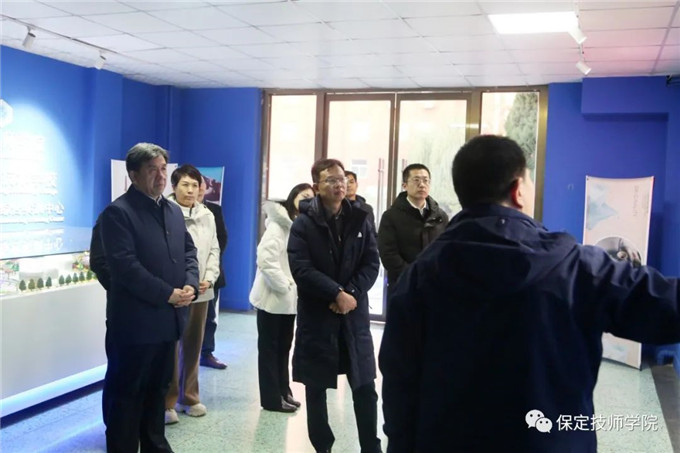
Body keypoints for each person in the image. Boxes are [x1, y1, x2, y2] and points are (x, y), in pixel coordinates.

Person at [378, 135, 680, 453]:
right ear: (518, 190)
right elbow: (664, 307)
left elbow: (399, 386)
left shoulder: (418, 278)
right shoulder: (577, 267)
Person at [101, 143, 198, 453]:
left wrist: (190, 284)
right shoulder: (118, 213)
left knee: (158, 392)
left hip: (168, 322)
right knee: (127, 396)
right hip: (135, 325)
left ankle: (156, 445)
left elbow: (189, 252)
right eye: (152, 170)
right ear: (133, 174)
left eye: (163, 169)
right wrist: (167, 293)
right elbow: (126, 267)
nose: (160, 176)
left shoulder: (172, 210)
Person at [288, 158, 382, 453]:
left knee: (365, 387)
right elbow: (301, 269)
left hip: (354, 316)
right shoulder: (303, 223)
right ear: (316, 186)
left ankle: (371, 447)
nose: (339, 184)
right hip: (319, 317)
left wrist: (349, 293)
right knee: (316, 388)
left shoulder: (360, 218)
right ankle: (322, 447)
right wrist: (335, 293)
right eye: (331, 180)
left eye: (342, 179)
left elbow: (372, 261)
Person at [249, 183, 315, 413]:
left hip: (289, 301)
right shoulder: (278, 225)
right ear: (293, 197)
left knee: (284, 348)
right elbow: (265, 259)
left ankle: (283, 391)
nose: (307, 200)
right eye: (303, 195)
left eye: (311, 197)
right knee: (269, 350)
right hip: (272, 298)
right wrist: (284, 286)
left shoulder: (301, 225)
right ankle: (271, 399)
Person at [164, 165, 220, 424]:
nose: (190, 190)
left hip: (202, 290)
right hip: (176, 291)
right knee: (171, 347)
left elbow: (214, 249)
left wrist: (209, 277)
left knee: (193, 345)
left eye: (195, 185)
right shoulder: (164, 211)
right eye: (185, 185)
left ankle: (189, 397)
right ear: (174, 187)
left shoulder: (207, 214)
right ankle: (168, 401)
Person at [377, 163, 448, 303]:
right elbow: (388, 254)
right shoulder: (391, 216)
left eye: (426, 180)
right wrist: (415, 275)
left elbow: (446, 250)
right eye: (416, 180)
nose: (422, 185)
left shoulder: (440, 216)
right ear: (404, 185)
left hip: (435, 286)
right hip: (403, 286)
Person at [198, 177, 230, 370]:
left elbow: (222, 239)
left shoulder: (214, 210)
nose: (197, 189)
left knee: (209, 317)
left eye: (200, 185)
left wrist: (210, 265)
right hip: (186, 275)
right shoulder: (174, 210)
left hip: (211, 274)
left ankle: (206, 352)